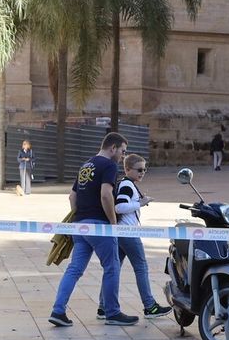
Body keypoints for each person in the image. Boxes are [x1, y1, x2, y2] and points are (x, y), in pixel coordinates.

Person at [48, 133, 138, 328]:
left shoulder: (85, 165)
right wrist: (113, 223)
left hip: (80, 226)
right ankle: (112, 312)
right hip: (100, 226)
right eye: (122, 152)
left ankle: (58, 310)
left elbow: (72, 197)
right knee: (112, 267)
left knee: (74, 270)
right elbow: (106, 195)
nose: (122, 157)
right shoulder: (109, 165)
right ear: (112, 148)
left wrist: (79, 217)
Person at [114, 154, 172, 318]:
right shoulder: (127, 185)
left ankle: (104, 306)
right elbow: (120, 206)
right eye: (139, 170)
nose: (142, 173)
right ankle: (150, 306)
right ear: (127, 169)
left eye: (145, 169)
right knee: (141, 268)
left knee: (114, 269)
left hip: (120, 232)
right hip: (128, 232)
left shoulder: (127, 184)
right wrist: (140, 203)